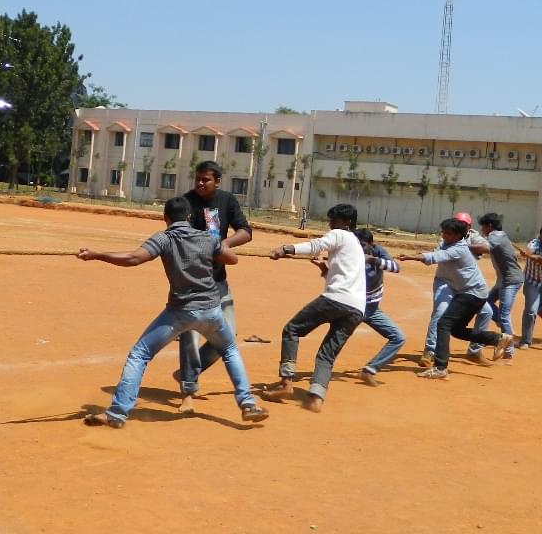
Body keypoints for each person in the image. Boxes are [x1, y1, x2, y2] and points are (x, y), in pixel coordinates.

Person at [78, 196, 268, 428]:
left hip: (180, 312)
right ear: (189, 218)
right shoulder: (206, 237)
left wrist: (97, 254)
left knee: (139, 355)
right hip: (210, 310)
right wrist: (215, 247)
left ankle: (117, 414)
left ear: (165, 218)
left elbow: (133, 258)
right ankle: (248, 404)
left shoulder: (165, 238)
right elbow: (232, 259)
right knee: (228, 349)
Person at [262, 204, 366, 412]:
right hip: (356, 308)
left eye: (333, 221)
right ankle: (316, 397)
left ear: (346, 223)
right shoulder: (355, 245)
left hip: (336, 300)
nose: (330, 225)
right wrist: (324, 269)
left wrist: (287, 248)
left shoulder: (340, 235)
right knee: (327, 354)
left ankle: (285, 383)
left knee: (292, 329)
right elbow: (343, 278)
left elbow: (317, 244)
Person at [175, 161, 253, 414]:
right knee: (189, 336)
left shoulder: (227, 200)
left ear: (217, 181)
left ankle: (188, 373)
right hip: (192, 282)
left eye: (205, 180)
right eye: (197, 179)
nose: (200, 183)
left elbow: (246, 232)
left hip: (218, 280)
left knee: (228, 334)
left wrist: (223, 244)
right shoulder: (186, 202)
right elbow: (178, 234)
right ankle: (188, 392)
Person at [399, 218, 514, 379]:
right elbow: (438, 252)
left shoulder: (458, 249)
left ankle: (440, 367)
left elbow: (437, 256)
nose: (444, 235)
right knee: (457, 330)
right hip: (471, 292)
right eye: (443, 232)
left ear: (458, 235)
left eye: (448, 233)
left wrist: (411, 257)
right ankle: (498, 338)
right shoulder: (449, 244)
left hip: (472, 293)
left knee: (444, 323)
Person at [312, 229, 406, 386]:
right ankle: (320, 376)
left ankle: (370, 369)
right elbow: (337, 281)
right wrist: (323, 269)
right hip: (353, 308)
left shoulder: (377, 252)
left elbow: (395, 268)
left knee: (398, 338)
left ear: (371, 244)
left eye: (362, 245)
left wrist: (372, 260)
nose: (359, 249)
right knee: (334, 343)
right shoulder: (349, 256)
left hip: (371, 309)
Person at [419, 211, 494, 367]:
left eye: (464, 225)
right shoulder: (446, 237)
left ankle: (474, 351)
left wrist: (464, 247)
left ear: (468, 227)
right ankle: (429, 351)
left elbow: (488, 247)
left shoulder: (470, 236)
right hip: (445, 281)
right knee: (440, 312)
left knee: (487, 312)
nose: (460, 226)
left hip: (464, 285)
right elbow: (439, 253)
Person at [475, 212, 525, 361]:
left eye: (483, 226)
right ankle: (502, 322)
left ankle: (509, 351)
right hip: (503, 280)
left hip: (511, 281)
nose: (482, 229)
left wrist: (464, 245)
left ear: (489, 226)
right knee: (485, 303)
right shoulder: (499, 236)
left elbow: (484, 248)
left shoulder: (496, 236)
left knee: (504, 316)